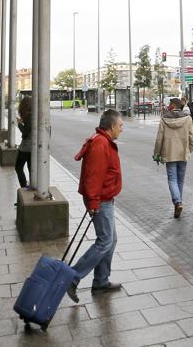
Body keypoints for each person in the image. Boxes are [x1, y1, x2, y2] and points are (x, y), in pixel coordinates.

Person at [67, 109, 125, 301]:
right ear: (112, 126)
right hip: (100, 200)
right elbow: (94, 175)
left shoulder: (102, 141)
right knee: (105, 241)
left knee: (110, 240)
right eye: (120, 125)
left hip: (103, 198)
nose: (122, 129)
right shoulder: (101, 144)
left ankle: (101, 281)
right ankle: (72, 277)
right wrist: (93, 201)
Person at [153, 97, 193, 218]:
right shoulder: (188, 119)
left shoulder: (164, 119)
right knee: (180, 180)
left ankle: (177, 202)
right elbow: (192, 136)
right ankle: (179, 202)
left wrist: (157, 153)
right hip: (183, 152)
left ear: (172, 106)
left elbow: (159, 138)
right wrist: (190, 149)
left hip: (169, 152)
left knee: (172, 179)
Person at [15, 97, 33, 189]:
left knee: (18, 167)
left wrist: (19, 123)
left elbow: (25, 133)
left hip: (26, 147)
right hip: (33, 147)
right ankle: (32, 185)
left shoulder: (30, 116)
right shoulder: (34, 114)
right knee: (31, 168)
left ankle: (24, 187)